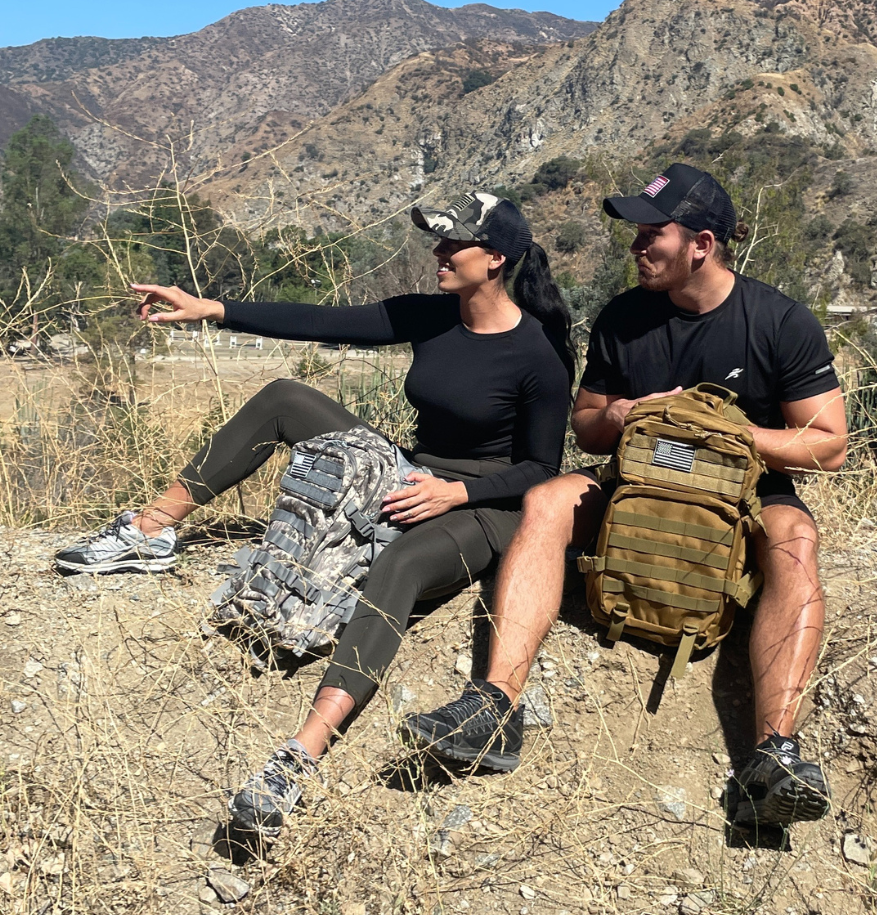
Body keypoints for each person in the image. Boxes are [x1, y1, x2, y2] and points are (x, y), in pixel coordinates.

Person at [55, 193, 573, 837]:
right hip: (409, 471)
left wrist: (456, 495)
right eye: (439, 241)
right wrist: (211, 309)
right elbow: (320, 319)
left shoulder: (538, 354)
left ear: (494, 259)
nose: (439, 253)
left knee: (401, 566)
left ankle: (298, 756)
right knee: (285, 397)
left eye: (453, 244)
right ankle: (149, 531)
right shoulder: (433, 316)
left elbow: (541, 468)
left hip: (484, 505)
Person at [403, 163, 848, 828]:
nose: (636, 246)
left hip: (745, 491)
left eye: (651, 234)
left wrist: (720, 431)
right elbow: (588, 427)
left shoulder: (779, 321)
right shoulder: (623, 317)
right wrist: (623, 413)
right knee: (547, 501)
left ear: (701, 244)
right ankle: (495, 708)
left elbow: (828, 444)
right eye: (636, 233)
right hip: (636, 479)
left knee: (797, 540)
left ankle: (772, 756)